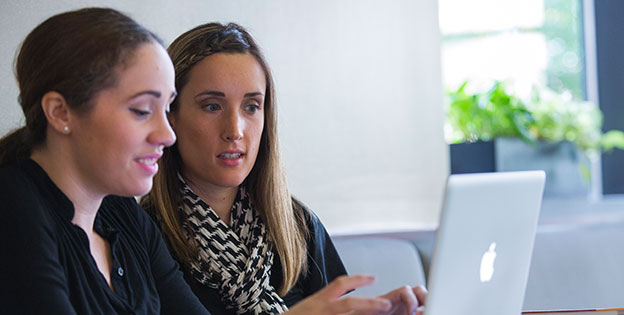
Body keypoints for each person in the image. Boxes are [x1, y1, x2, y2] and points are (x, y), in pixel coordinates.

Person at [142, 23, 427, 315]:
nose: (235, 130)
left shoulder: (297, 224)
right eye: (212, 106)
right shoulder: (141, 235)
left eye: (251, 107)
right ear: (170, 115)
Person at [0, 8, 210, 314]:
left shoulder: (124, 214)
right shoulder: (12, 206)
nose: (168, 135)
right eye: (141, 110)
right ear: (60, 112)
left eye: (166, 108)